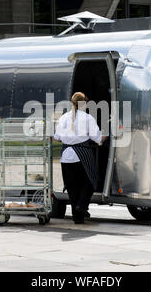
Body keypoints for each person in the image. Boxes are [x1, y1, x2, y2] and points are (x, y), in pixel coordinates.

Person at [53, 92, 107, 224]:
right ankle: (82, 206)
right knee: (90, 180)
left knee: (72, 188)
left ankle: (77, 217)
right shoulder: (88, 118)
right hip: (82, 154)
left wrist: (69, 139)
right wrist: (106, 134)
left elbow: (57, 138)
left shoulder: (63, 118)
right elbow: (98, 139)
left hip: (66, 156)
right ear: (85, 103)